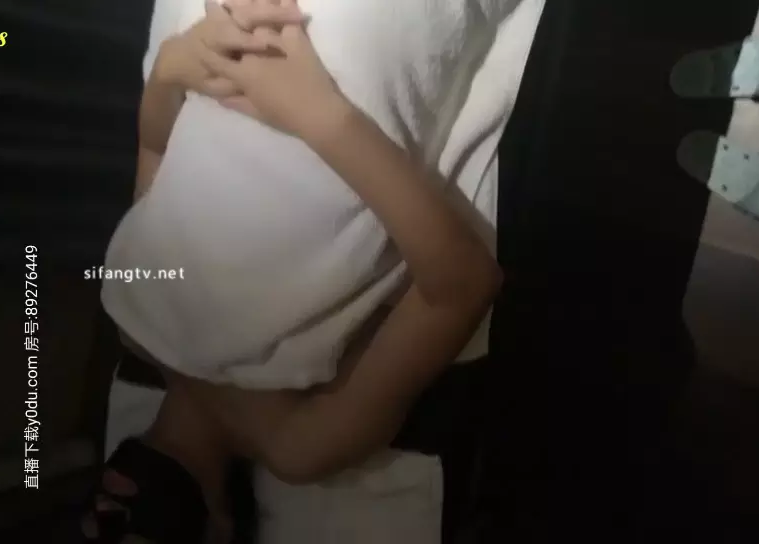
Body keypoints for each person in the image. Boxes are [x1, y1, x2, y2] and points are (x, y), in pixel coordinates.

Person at [81, 0, 507, 542]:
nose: (105, 525)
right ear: (218, 529)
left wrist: (172, 67)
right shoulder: (298, 444)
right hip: (347, 74)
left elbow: (155, 147)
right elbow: (461, 285)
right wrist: (318, 114)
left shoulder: (134, 321)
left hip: (228, 37)